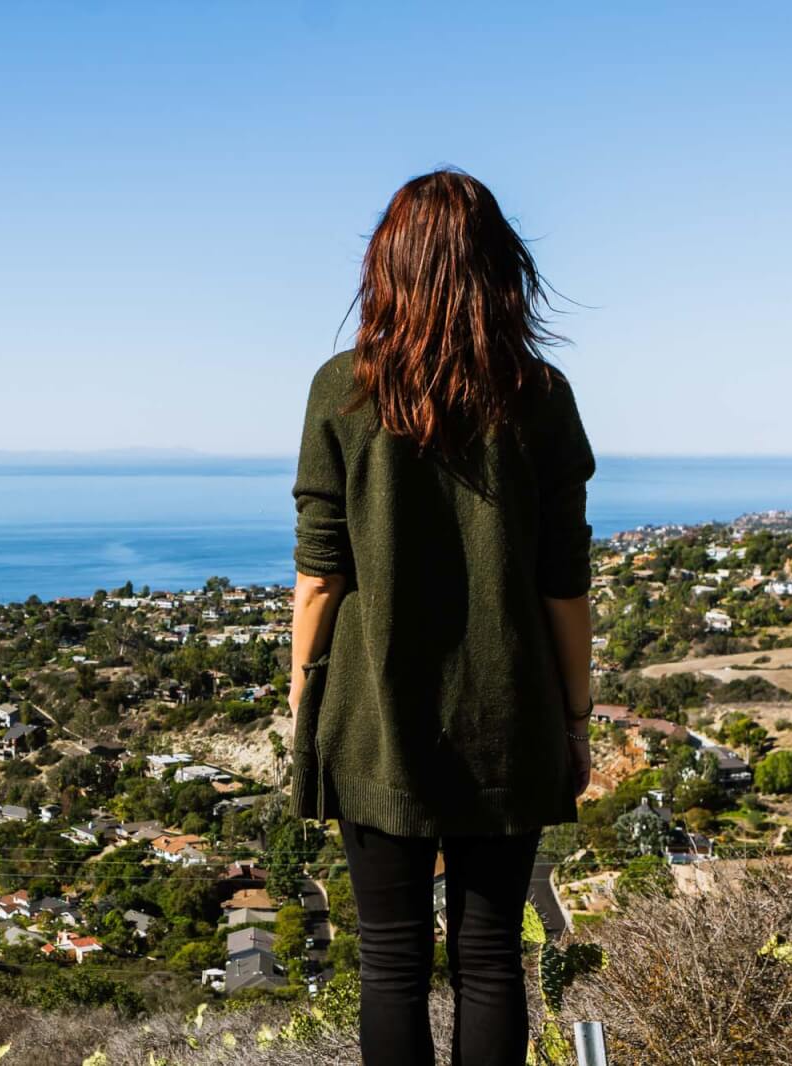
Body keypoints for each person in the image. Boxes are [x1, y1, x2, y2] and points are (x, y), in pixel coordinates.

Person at [286, 168, 596, 1065]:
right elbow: (563, 583)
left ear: (387, 267)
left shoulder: (341, 388)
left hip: (372, 719)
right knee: (492, 961)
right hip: (512, 719)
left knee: (390, 963)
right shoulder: (540, 395)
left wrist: (304, 701)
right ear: (501, 270)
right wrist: (575, 721)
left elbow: (318, 577)